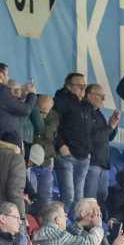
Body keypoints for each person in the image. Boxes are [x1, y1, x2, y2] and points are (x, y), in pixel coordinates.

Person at [51, 73, 92, 208]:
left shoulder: (86, 105)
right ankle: (62, 225)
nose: (82, 88)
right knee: (68, 196)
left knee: (78, 201)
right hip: (67, 155)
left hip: (83, 156)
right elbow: (52, 125)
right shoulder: (61, 100)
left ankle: (73, 227)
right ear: (68, 86)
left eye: (84, 86)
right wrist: (60, 144)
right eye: (79, 85)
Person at [0, 63, 35, 141]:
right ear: (1, 75)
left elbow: (4, 108)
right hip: (6, 143)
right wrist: (32, 94)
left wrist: (22, 97)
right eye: (7, 75)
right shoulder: (1, 91)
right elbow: (26, 110)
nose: (8, 78)